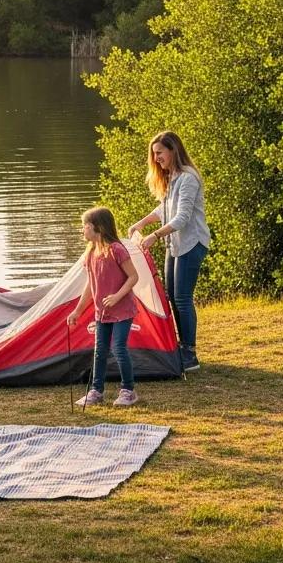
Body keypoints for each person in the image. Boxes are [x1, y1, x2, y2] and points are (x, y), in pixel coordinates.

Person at [129, 131, 210, 372]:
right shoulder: (171, 177)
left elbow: (183, 217)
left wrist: (154, 235)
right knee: (172, 296)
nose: (156, 158)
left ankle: (190, 353)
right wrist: (142, 224)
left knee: (183, 298)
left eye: (159, 153)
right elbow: (164, 208)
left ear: (173, 150)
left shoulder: (188, 178)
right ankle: (180, 346)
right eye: (154, 154)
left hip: (191, 243)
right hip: (174, 244)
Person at [67, 206, 140, 407]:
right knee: (99, 351)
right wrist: (78, 311)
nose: (83, 230)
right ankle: (96, 391)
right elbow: (90, 285)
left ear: (97, 227)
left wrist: (117, 296)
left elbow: (133, 276)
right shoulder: (90, 253)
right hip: (102, 313)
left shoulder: (116, 249)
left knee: (118, 348)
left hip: (122, 311)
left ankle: (128, 391)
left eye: (86, 226)